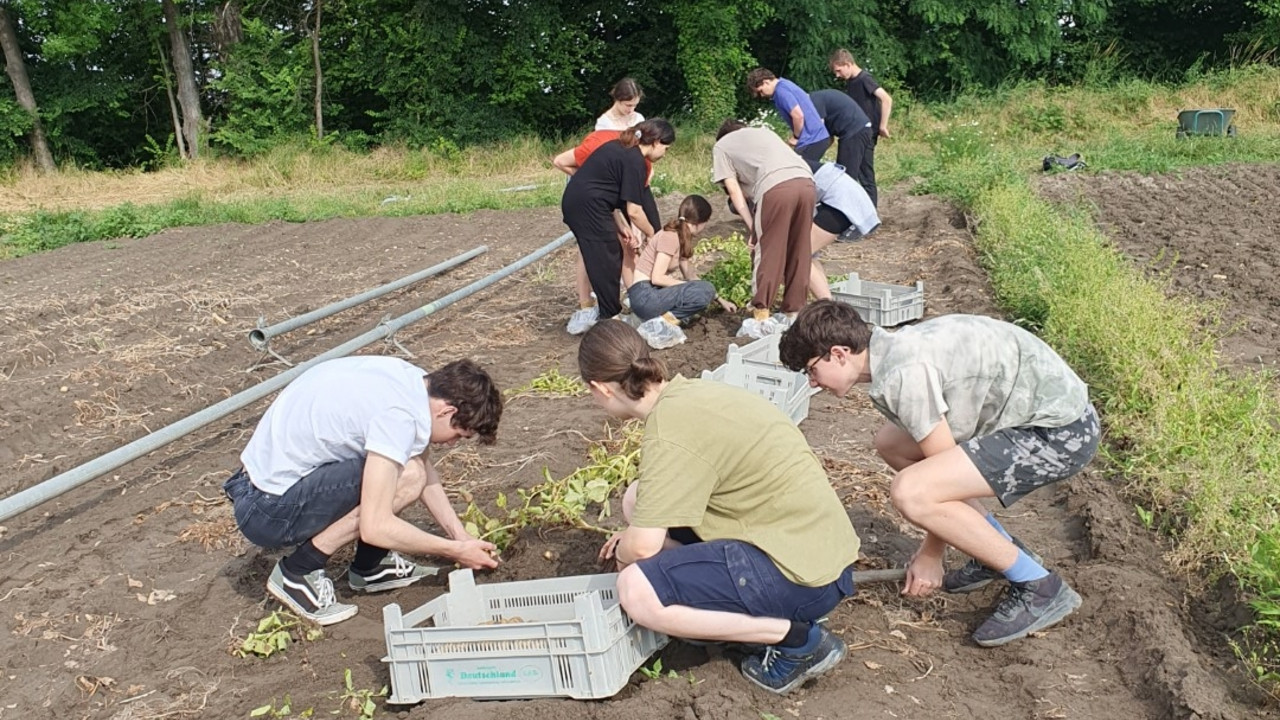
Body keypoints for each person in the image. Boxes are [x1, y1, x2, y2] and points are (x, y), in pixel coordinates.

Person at [778, 302, 1100, 647]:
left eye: (811, 370)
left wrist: (932, 555)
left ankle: (1039, 586)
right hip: (1040, 414)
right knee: (891, 442)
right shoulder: (893, 349)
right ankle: (992, 550)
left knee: (912, 492)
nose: (812, 384)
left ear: (839, 354)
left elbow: (939, 479)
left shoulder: (903, 375)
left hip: (1058, 433)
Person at [580, 320, 860, 694]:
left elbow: (643, 547)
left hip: (803, 579)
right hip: (823, 555)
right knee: (638, 497)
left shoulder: (668, 431)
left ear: (600, 388)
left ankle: (797, 641)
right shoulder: (692, 394)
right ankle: (716, 610)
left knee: (635, 590)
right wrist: (635, 536)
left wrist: (626, 550)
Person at [222, 356, 504, 625]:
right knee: (406, 477)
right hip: (267, 510)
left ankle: (370, 567)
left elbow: (422, 463)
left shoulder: (415, 382)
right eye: (459, 435)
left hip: (258, 485)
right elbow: (376, 526)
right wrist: (455, 551)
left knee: (409, 469)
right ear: (448, 411)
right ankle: (298, 572)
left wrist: (461, 535)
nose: (453, 444)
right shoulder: (400, 416)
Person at [561, 119, 673, 333]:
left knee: (608, 253)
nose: (664, 154)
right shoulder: (635, 160)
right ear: (657, 142)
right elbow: (634, 211)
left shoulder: (622, 148)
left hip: (586, 203)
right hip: (586, 207)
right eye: (666, 148)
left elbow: (609, 194)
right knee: (606, 257)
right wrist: (653, 235)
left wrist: (622, 226)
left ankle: (610, 312)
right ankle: (609, 317)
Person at [713, 119, 815, 336]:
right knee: (800, 248)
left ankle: (761, 314)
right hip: (807, 181)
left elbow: (735, 193)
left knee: (769, 250)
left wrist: (752, 227)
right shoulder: (763, 132)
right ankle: (794, 313)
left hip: (776, 187)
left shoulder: (721, 146)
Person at [628, 194, 737, 349]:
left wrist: (719, 299)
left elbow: (690, 276)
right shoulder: (670, 236)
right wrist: (685, 287)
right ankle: (659, 326)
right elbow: (657, 278)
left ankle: (658, 321)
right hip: (644, 295)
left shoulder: (681, 237)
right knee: (703, 290)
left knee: (705, 289)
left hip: (650, 293)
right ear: (700, 223)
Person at [805, 160, 881, 300]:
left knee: (799, 255)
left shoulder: (776, 167)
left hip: (841, 201)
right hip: (842, 197)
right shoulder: (785, 158)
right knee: (808, 254)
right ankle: (826, 304)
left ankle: (828, 308)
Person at [829, 49, 893, 208]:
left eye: (839, 70)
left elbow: (886, 99)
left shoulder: (864, 79)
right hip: (855, 133)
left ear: (848, 64)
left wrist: (882, 126)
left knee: (865, 174)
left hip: (867, 133)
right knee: (852, 171)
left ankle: (870, 215)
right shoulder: (851, 82)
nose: (837, 75)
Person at [745, 68, 831, 164]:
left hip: (812, 139)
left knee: (797, 171)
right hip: (816, 137)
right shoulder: (784, 84)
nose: (762, 95)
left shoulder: (781, 91)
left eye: (761, 91)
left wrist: (796, 137)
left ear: (766, 82)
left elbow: (798, 116)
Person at [809, 89, 876, 204]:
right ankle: (870, 214)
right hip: (864, 129)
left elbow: (817, 133)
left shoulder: (813, 100)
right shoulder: (821, 100)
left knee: (845, 179)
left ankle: (847, 215)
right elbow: (827, 139)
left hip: (853, 133)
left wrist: (808, 156)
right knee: (866, 176)